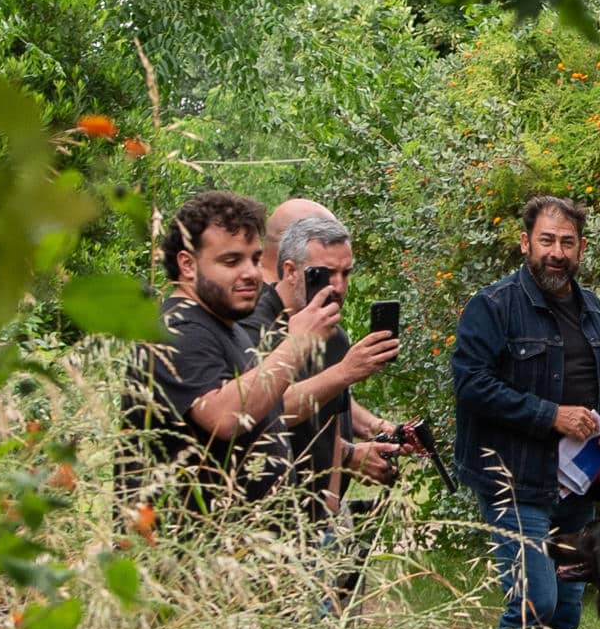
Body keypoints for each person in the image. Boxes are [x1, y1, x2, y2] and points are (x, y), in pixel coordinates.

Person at [452, 195, 600, 629]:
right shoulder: (494, 307)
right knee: (535, 600)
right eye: (547, 241)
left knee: (564, 617)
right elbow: (471, 384)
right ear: (526, 243)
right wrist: (549, 414)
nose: (557, 253)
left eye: (568, 243)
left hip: (577, 490)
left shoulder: (593, 310)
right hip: (515, 481)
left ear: (581, 249)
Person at [119, 191, 339, 517]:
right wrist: (298, 344)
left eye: (254, 258)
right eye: (231, 261)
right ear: (187, 264)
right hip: (191, 556)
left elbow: (266, 408)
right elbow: (224, 417)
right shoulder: (177, 330)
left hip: (243, 554)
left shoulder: (224, 325)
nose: (251, 272)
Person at [244, 214, 403, 518]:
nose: (339, 287)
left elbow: (332, 419)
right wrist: (345, 372)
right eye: (326, 274)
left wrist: (380, 430)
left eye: (346, 273)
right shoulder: (255, 325)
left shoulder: (334, 333)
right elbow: (267, 411)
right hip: (267, 514)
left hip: (321, 516)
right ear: (290, 271)